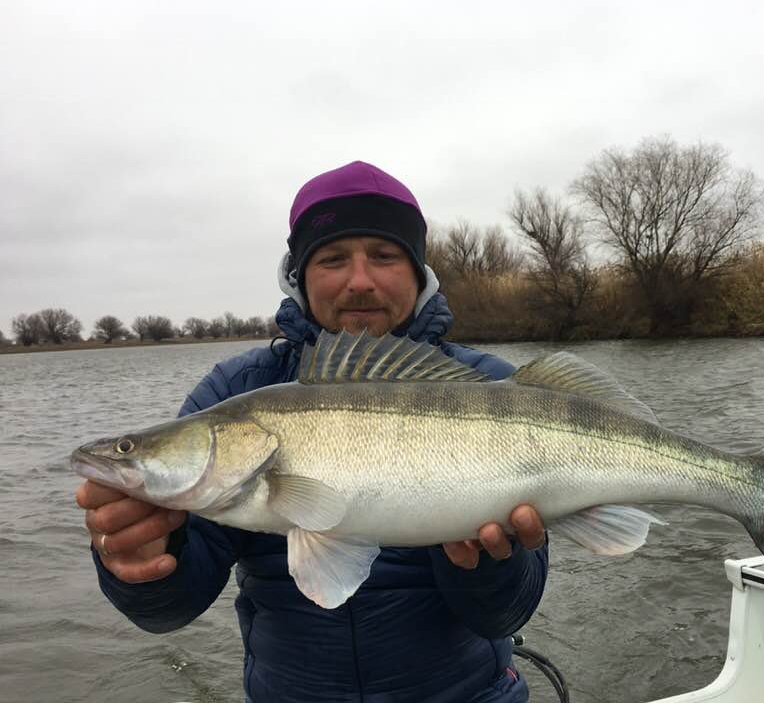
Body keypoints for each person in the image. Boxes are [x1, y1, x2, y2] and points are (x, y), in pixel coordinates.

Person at [75, 161, 549, 703]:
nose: (361, 280)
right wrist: (142, 563)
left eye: (385, 255)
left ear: (419, 272)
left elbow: (507, 613)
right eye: (331, 258)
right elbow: (169, 611)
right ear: (299, 275)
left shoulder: (492, 390)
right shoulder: (236, 391)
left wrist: (490, 567)